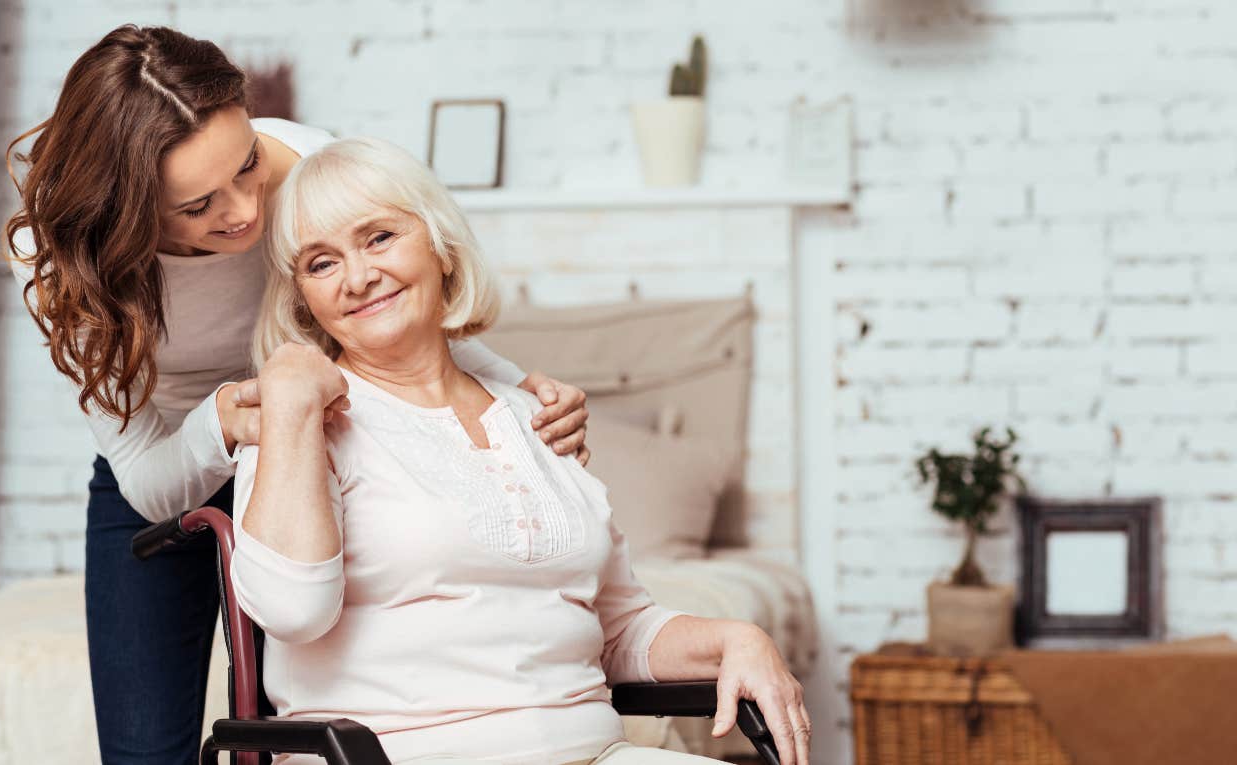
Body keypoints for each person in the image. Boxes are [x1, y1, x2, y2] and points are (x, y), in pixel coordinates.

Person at [2, 25, 592, 765]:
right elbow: (151, 481)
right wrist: (218, 422)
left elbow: (396, 313)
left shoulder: (312, 166)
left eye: (248, 165)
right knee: (145, 751)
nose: (245, 212)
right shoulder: (67, 261)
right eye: (197, 206)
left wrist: (516, 395)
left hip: (309, 441)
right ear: (126, 207)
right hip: (163, 461)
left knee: (299, 721)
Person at [230, 137, 812, 765]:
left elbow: (617, 626)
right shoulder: (298, 425)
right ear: (302, 298)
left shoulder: (537, 418)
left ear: (441, 245)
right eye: (321, 264)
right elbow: (291, 611)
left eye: (379, 238)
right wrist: (290, 401)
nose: (359, 277)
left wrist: (736, 639)